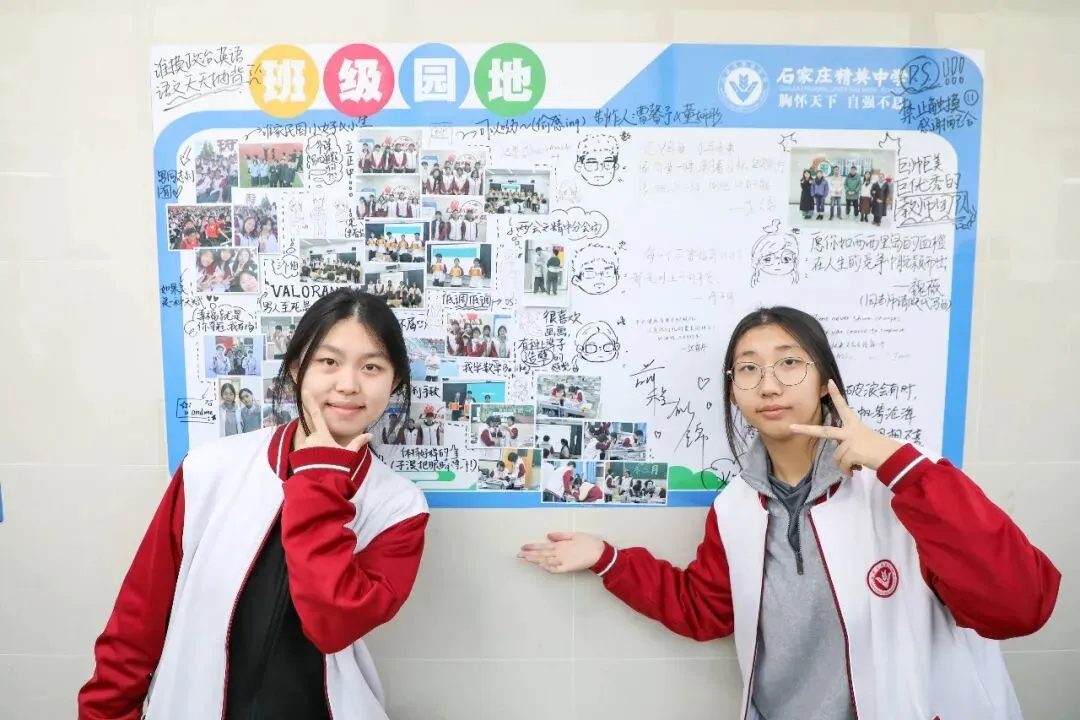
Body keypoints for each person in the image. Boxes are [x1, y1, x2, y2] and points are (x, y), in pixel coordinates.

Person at [518, 306, 1060, 720]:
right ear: (733, 390)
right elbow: (706, 610)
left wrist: (901, 467)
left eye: (789, 362)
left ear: (825, 380)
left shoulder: (905, 485)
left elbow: (1018, 608)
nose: (769, 384)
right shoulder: (736, 507)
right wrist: (607, 559)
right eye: (748, 369)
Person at [78, 288, 430, 720]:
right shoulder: (209, 469)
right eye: (328, 361)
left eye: (371, 367)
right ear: (297, 368)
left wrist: (319, 477)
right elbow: (138, 619)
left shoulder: (400, 508)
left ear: (395, 381)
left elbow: (332, 623)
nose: (348, 384)